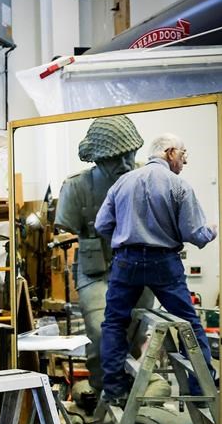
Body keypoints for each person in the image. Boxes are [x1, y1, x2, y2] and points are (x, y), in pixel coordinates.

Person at [95, 133, 218, 406]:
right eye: (183, 154)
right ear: (170, 152)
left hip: (126, 262)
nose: (185, 161)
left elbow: (101, 225)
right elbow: (195, 234)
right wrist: (212, 231)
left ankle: (114, 388)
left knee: (114, 323)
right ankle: (200, 390)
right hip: (164, 263)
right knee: (188, 324)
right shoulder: (178, 186)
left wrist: (126, 236)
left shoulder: (122, 182)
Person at [55, 115, 152, 396]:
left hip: (138, 268)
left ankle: (127, 393)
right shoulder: (76, 187)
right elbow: (67, 227)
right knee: (101, 332)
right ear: (98, 160)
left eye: (129, 155)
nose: (125, 163)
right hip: (95, 271)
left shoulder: (147, 180)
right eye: (114, 158)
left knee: (135, 333)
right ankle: (104, 390)